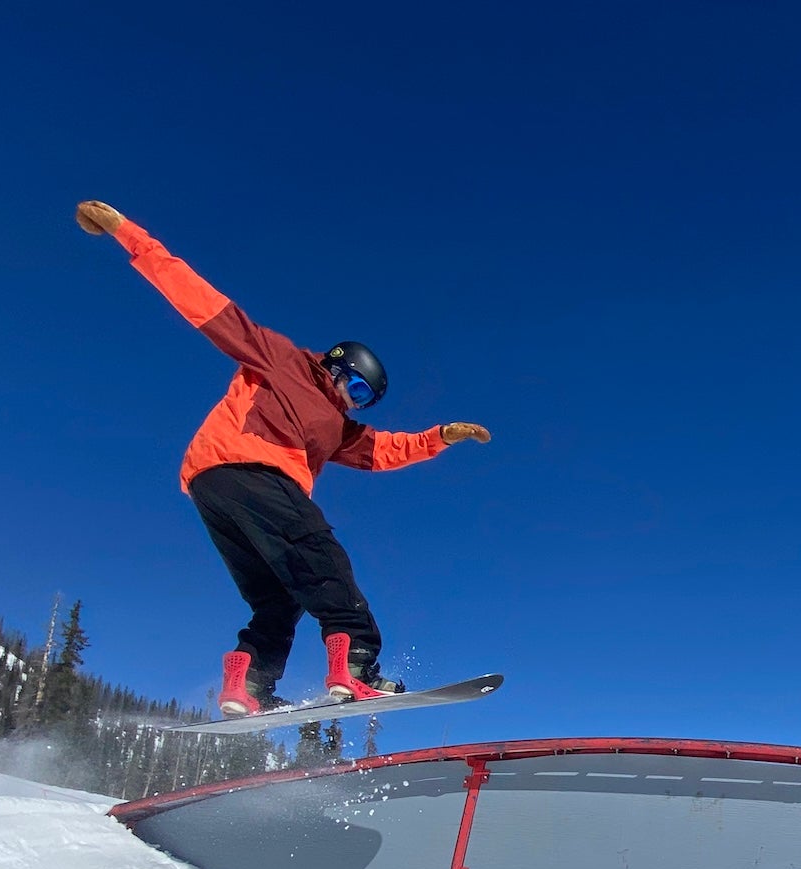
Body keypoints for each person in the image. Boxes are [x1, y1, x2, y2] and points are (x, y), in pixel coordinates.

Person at [75, 200, 491, 716]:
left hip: (213, 492)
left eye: (364, 399)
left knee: (279, 597)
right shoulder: (280, 358)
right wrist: (128, 234)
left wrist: (440, 436)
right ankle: (356, 664)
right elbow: (203, 304)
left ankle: (247, 683)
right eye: (355, 386)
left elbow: (384, 450)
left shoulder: (338, 427)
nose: (352, 400)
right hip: (251, 471)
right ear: (337, 365)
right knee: (324, 561)